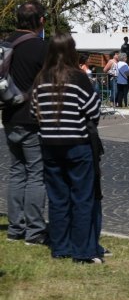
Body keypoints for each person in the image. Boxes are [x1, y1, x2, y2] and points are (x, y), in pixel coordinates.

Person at [31, 33, 104, 263]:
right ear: (72, 51)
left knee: (58, 197)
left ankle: (60, 247)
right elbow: (93, 111)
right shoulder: (78, 78)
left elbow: (34, 113)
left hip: (50, 145)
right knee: (82, 198)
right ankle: (82, 250)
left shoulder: (41, 79)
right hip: (77, 144)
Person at [3, 0, 49, 245]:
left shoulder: (5, 44)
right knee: (36, 174)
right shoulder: (41, 48)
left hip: (9, 115)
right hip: (33, 118)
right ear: (40, 21)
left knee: (16, 172)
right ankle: (34, 231)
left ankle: (14, 228)